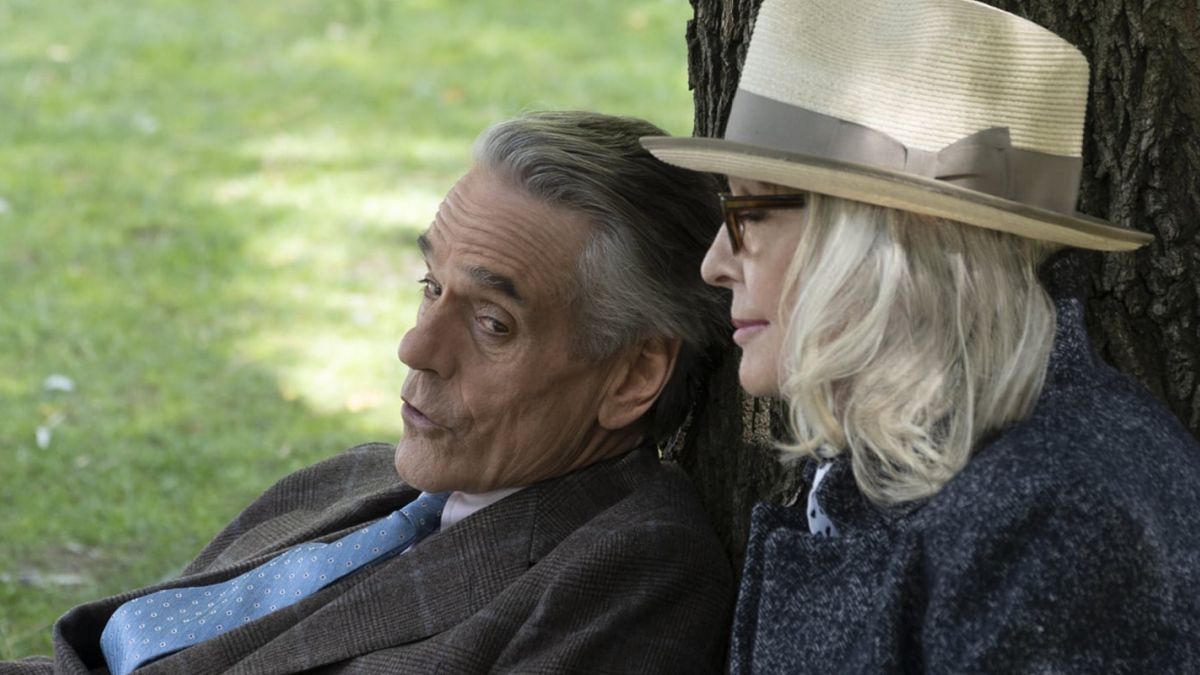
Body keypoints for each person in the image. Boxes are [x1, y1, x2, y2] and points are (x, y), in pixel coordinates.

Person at [5, 111, 734, 674]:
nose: (416, 347)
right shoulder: (352, 479)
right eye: (430, 286)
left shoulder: (632, 570)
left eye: (492, 323)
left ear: (634, 375)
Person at [642, 0, 1200, 671]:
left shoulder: (1061, 521)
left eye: (750, 212)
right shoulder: (902, 453)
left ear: (895, 237)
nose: (714, 264)